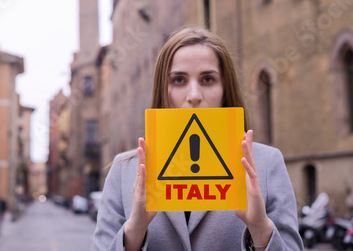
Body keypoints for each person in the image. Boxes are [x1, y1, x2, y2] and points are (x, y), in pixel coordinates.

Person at [92, 28, 303, 250]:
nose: (194, 95)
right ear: (164, 90)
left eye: (208, 79)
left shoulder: (266, 164)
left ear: (225, 89)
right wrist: (134, 231)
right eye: (179, 80)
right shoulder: (125, 170)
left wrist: (261, 230)